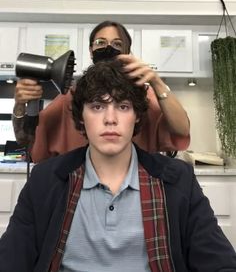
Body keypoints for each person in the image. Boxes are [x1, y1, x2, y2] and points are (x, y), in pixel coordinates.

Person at [1, 60, 236, 272]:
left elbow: (219, 261)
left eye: (123, 106)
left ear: (136, 116)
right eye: (97, 106)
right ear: (81, 117)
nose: (110, 119)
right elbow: (10, 259)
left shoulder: (177, 180)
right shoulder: (45, 180)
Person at [12, 20, 190, 163]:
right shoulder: (72, 96)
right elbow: (28, 139)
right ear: (91, 50)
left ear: (127, 51)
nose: (108, 47)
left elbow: (181, 130)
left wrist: (156, 82)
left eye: (117, 44)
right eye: (100, 42)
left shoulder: (143, 94)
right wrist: (20, 104)